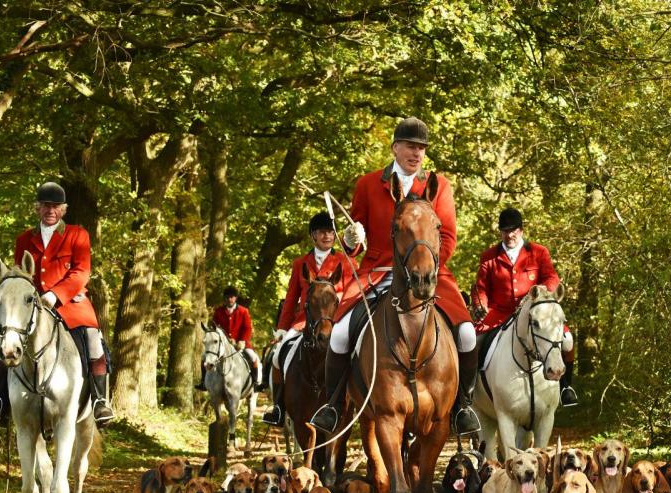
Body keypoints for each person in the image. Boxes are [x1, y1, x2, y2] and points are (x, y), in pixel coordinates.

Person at [308, 117, 481, 435]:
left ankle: (462, 407)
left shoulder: (438, 187)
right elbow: (353, 247)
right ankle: (332, 405)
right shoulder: (368, 184)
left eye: (421, 149)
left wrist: (422, 266)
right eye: (410, 147)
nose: (416, 153)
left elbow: (448, 238)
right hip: (378, 273)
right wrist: (350, 237)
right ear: (395, 148)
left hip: (429, 274)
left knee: (468, 334)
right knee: (341, 333)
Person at [0, 182, 116, 427]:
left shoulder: (78, 234)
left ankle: (99, 400)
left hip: (70, 303)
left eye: (55, 206)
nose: (50, 210)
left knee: (93, 337)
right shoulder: (24, 238)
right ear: (38, 208)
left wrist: (56, 294)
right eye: (45, 206)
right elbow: (20, 276)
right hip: (32, 305)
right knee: (4, 337)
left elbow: (82, 272)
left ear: (63, 210)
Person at [471, 207, 579, 406]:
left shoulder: (538, 252)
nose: (509, 235)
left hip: (535, 314)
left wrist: (543, 291)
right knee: (473, 343)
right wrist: (481, 304)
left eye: (513, 230)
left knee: (568, 340)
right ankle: (468, 394)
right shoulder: (489, 256)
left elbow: (551, 276)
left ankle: (565, 386)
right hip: (499, 314)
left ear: (521, 230)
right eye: (505, 230)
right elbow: (481, 287)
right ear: (500, 231)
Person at [261, 212, 354, 426]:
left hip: (335, 320)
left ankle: (359, 400)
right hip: (304, 321)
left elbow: (352, 293)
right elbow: (291, 298)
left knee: (356, 352)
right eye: (322, 232)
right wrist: (282, 328)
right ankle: (278, 407)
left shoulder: (345, 262)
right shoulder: (300, 263)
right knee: (277, 356)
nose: (327, 236)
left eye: (330, 232)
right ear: (313, 235)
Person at [195, 287, 265, 391]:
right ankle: (203, 382)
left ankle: (256, 383)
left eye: (232, 297)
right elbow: (215, 329)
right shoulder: (218, 311)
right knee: (204, 358)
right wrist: (227, 340)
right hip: (223, 344)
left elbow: (247, 328)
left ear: (236, 298)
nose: (229, 299)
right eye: (227, 297)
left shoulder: (243, 311)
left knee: (253, 357)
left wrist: (242, 341)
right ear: (225, 298)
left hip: (241, 343)